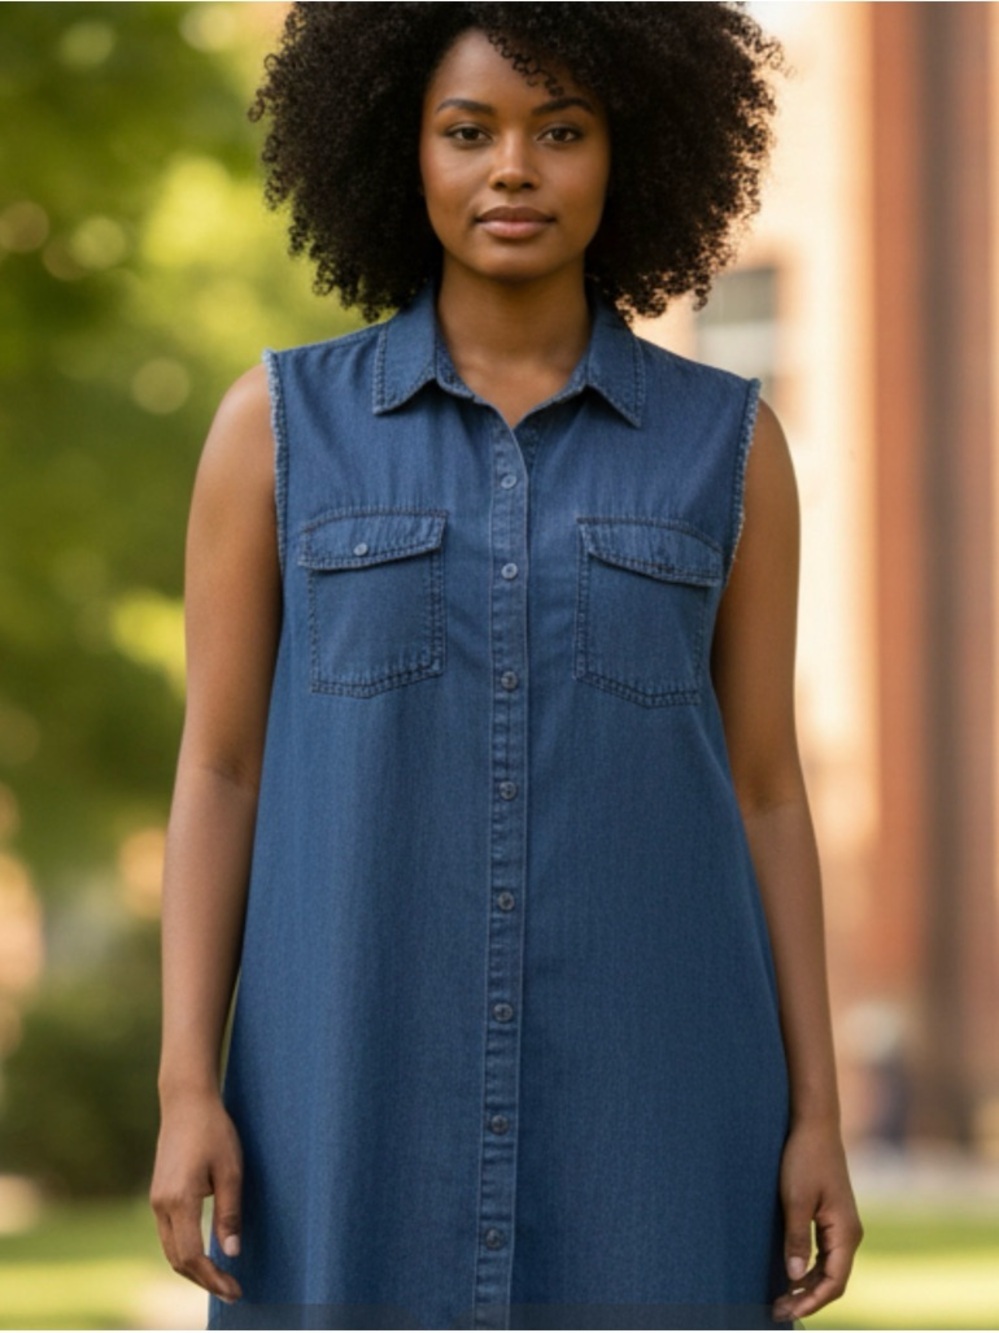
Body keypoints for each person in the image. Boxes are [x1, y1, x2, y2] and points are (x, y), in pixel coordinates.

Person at [150, 4, 864, 1329]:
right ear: (403, 149)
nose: (514, 170)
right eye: (468, 131)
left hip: (658, 1114)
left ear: (630, 152)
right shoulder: (276, 431)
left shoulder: (729, 449)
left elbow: (769, 790)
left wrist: (818, 1111)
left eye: (563, 132)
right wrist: (186, 1081)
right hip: (343, 1112)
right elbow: (221, 768)